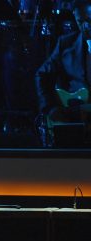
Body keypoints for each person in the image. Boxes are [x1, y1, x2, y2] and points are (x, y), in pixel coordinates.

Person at [35, 0, 91, 138]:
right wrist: (50, 107)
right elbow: (41, 75)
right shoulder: (66, 44)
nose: (86, 26)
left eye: (89, 20)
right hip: (74, 124)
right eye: (80, 21)